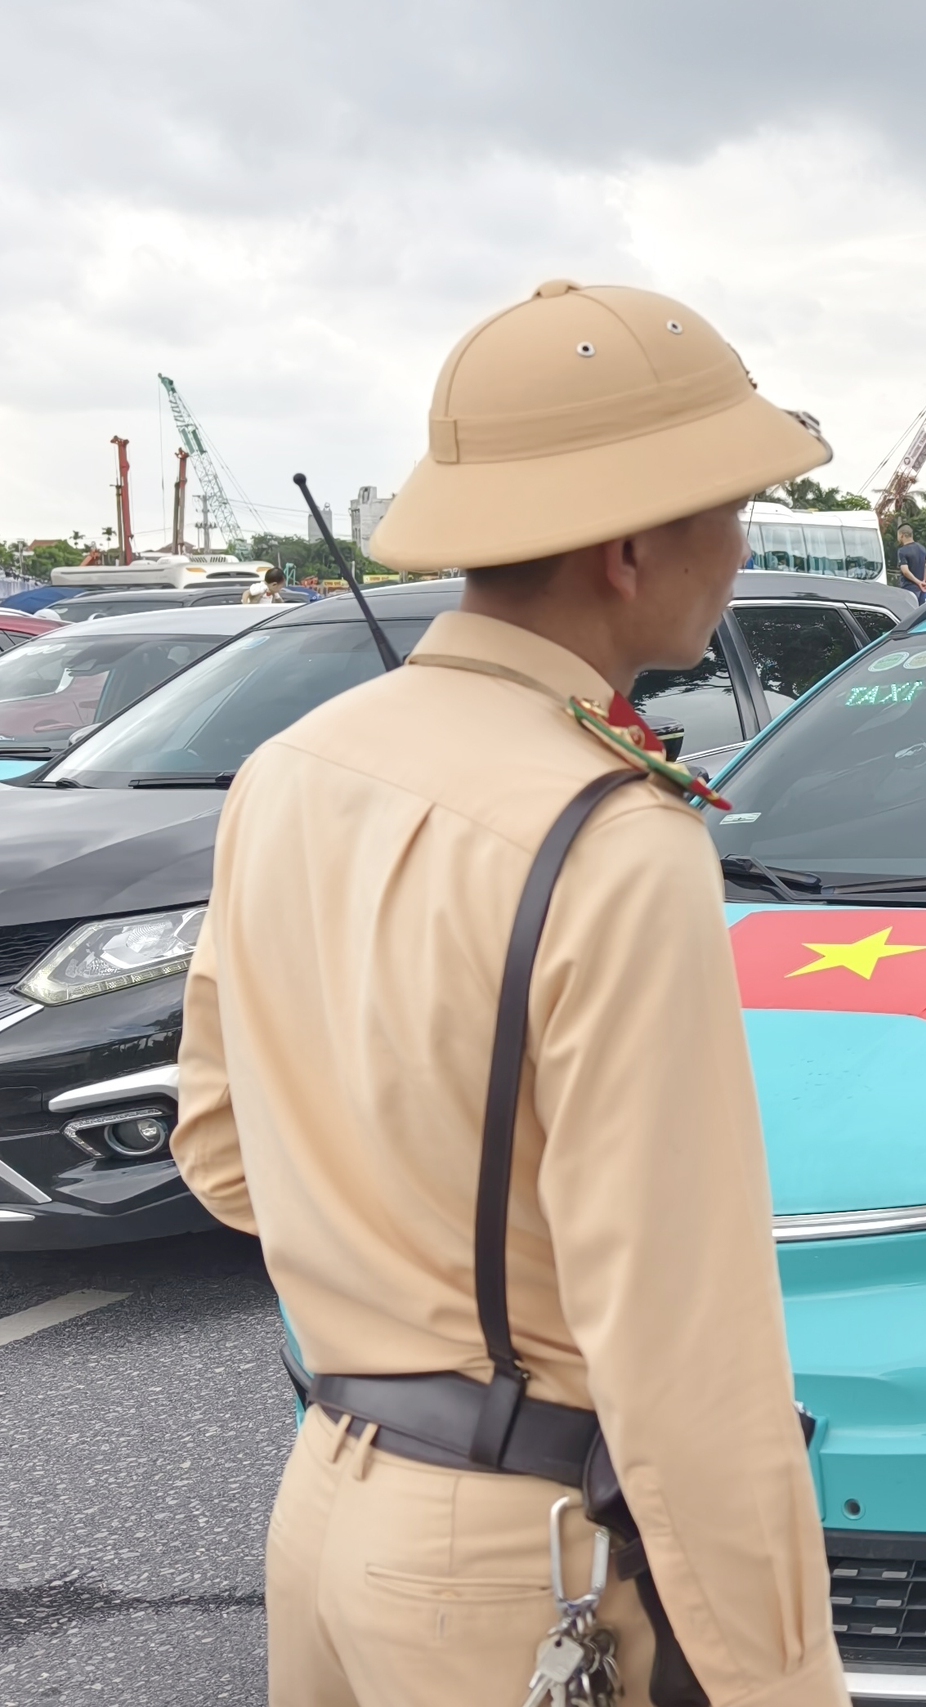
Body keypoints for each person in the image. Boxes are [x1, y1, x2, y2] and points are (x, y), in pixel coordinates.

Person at [172, 280, 850, 1707]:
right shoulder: (614, 832)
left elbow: (223, 1150)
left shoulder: (291, 769)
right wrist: (780, 1673)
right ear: (630, 540)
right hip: (522, 1556)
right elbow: (682, 1339)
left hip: (328, 1502)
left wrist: (391, 1254)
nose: (739, 542)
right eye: (726, 504)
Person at [895, 523, 926, 599]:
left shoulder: (902, 551)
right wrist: (924, 580)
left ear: (902, 535)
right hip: (921, 590)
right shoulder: (922, 548)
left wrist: (918, 582)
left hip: (908, 589)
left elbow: (905, 571)